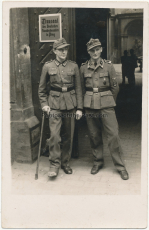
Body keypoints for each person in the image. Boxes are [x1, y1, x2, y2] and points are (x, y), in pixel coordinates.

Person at [80, 38, 129, 180]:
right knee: (94, 135)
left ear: (101, 49)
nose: (95, 52)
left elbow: (115, 87)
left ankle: (120, 166)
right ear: (88, 52)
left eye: (97, 49)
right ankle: (97, 162)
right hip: (90, 105)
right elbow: (81, 89)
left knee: (113, 135)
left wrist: (108, 101)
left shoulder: (108, 66)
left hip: (106, 105)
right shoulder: (83, 67)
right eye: (91, 50)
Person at [38, 38, 83, 178]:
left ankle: (65, 163)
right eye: (61, 49)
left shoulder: (73, 66)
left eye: (66, 49)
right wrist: (44, 104)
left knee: (69, 136)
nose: (64, 52)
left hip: (70, 104)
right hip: (54, 105)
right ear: (54, 51)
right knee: (55, 136)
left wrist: (79, 108)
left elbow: (78, 88)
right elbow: (41, 89)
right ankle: (54, 165)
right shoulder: (47, 66)